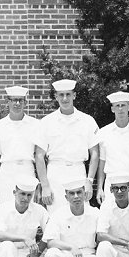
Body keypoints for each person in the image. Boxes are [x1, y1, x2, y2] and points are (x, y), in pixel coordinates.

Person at [35, 79, 99, 214]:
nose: (65, 98)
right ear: (56, 97)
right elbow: (39, 156)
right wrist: (45, 186)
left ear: (74, 96)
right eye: (61, 95)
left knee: (81, 216)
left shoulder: (87, 120)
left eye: (68, 94)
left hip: (78, 171)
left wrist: (89, 181)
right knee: (56, 217)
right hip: (55, 174)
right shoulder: (47, 122)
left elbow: (95, 153)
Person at [43, 178, 111, 257]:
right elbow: (50, 242)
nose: (76, 196)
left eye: (79, 192)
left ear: (85, 194)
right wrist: (71, 248)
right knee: (51, 254)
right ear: (66, 197)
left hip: (88, 255)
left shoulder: (95, 213)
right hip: (68, 255)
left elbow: (102, 236)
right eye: (71, 193)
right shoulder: (58, 214)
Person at [0, 86, 39, 208]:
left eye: (20, 100)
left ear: (25, 102)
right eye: (13, 100)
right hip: (7, 173)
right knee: (6, 210)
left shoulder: (36, 125)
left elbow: (39, 156)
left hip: (27, 170)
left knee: (29, 211)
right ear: (8, 102)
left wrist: (40, 185)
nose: (17, 103)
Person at [96, 91, 129, 205]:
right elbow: (102, 162)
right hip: (111, 182)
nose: (120, 109)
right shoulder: (103, 132)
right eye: (117, 106)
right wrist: (99, 188)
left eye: (123, 105)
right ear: (112, 109)